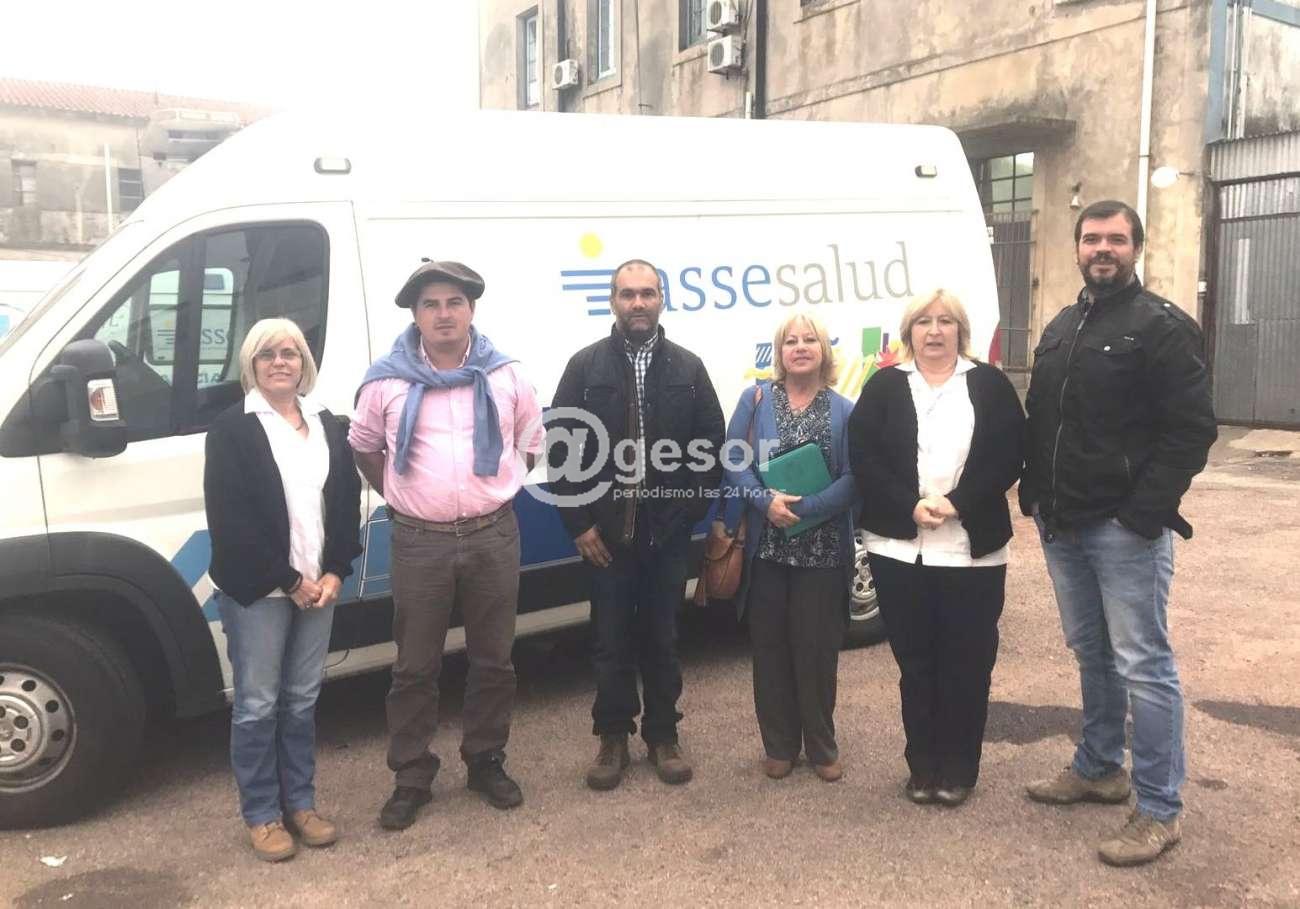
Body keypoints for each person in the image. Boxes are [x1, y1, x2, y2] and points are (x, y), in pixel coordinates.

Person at [1021, 200, 1216, 866]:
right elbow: (1043, 414)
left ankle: (1159, 809)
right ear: (1077, 247)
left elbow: (1192, 430)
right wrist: (1034, 492)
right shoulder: (1062, 324)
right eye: (1092, 238)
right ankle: (1100, 765)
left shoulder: (1163, 326)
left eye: (1115, 238)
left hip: (1123, 530)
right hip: (1062, 524)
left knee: (1144, 664)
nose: (1102, 248)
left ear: (1137, 247)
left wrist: (1143, 513)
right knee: (1092, 653)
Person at [349, 260, 543, 830]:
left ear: (471, 310)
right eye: (430, 304)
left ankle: (486, 760)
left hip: (492, 535)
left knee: (494, 659)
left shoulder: (506, 375)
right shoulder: (385, 381)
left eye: (454, 302)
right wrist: (403, 496)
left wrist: (495, 487)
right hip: (418, 541)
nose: (443, 314)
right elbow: (364, 446)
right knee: (414, 666)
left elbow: (531, 441)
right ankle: (411, 775)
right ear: (415, 315)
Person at [548, 258, 724, 791]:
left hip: (667, 532)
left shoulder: (688, 368)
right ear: (613, 301)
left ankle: (663, 736)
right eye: (628, 294)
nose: (638, 303)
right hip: (607, 536)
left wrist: (689, 511)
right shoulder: (585, 367)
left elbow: (711, 445)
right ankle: (612, 738)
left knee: (663, 638)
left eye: (648, 293)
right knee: (610, 640)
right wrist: (579, 524)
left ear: (662, 300)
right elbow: (561, 449)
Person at [848, 290, 1024, 808]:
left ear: (960, 331)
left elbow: (1009, 455)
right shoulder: (885, 386)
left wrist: (956, 502)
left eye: (945, 321)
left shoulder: (988, 385)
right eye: (923, 321)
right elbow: (864, 456)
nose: (934, 330)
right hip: (899, 550)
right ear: (910, 332)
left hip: (973, 551)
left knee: (967, 663)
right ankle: (922, 766)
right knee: (916, 663)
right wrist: (909, 504)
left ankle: (959, 769)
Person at [204, 317, 362, 862]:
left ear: (304, 363)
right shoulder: (232, 429)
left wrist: (336, 569)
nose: (280, 362)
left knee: (301, 700)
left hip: (320, 587)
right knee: (257, 704)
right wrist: (290, 581)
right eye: (267, 353)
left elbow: (345, 501)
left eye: (290, 353)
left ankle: (302, 805)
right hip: (260, 592)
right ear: (251, 364)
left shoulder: (326, 423)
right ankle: (262, 815)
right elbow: (231, 520)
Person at [719, 311, 858, 782]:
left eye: (809, 340)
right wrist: (765, 503)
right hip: (768, 554)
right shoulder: (756, 400)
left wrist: (808, 507)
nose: (800, 348)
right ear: (779, 353)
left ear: (823, 350)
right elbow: (733, 459)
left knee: (816, 654)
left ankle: (821, 747)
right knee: (771, 651)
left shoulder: (844, 410)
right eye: (791, 341)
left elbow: (854, 477)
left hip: (822, 554)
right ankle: (779, 745)